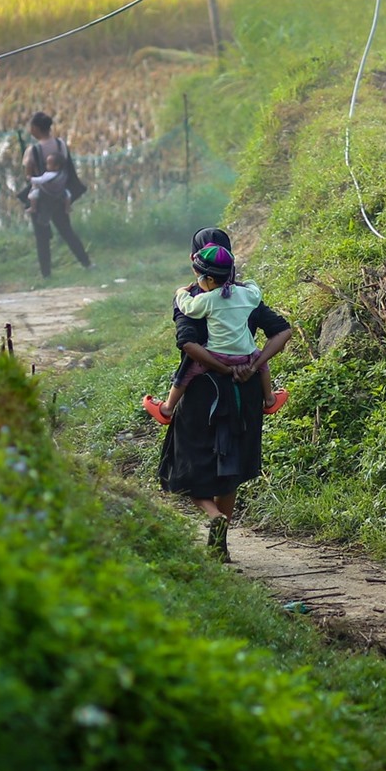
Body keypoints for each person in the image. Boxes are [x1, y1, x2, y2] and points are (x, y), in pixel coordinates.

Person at [154, 226, 296, 562]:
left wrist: (219, 367)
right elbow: (281, 330)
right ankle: (221, 547)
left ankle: (213, 518)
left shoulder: (190, 298)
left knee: (184, 464)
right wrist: (254, 363)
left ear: (194, 262)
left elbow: (187, 342)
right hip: (245, 392)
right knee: (229, 468)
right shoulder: (247, 294)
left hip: (204, 392)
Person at [141, 242, 286, 423]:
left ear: (209, 280)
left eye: (198, 277)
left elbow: (188, 307)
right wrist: (249, 283)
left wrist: (181, 293)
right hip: (246, 355)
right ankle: (270, 399)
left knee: (186, 372)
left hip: (216, 356)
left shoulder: (207, 299)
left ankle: (167, 408)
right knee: (263, 366)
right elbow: (256, 292)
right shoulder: (247, 294)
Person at [21, 111, 89, 277]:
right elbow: (66, 166)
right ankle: (87, 263)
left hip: (41, 198)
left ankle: (46, 274)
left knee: (42, 236)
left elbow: (28, 172)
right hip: (59, 195)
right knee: (67, 231)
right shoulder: (61, 144)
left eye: (31, 127)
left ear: (36, 128)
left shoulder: (33, 150)